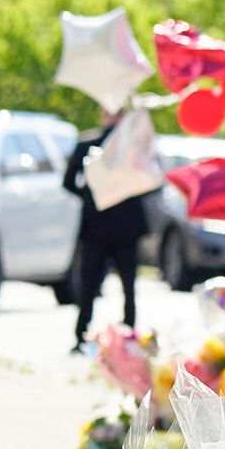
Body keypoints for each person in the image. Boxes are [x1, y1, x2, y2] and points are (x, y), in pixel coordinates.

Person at [63, 110, 156, 350]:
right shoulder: (89, 145)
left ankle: (129, 334)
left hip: (124, 228)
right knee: (90, 285)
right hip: (98, 228)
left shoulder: (132, 148)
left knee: (127, 285)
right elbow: (68, 181)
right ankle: (82, 334)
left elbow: (151, 181)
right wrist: (94, 193)